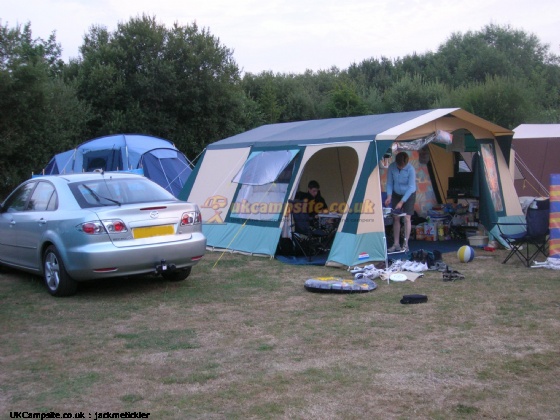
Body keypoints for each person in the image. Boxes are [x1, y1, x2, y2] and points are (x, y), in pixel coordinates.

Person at [384, 152, 417, 252]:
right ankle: (396, 244)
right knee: (396, 217)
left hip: (409, 194)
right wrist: (389, 196)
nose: (400, 167)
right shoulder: (392, 167)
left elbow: (411, 187)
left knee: (407, 218)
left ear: (406, 162)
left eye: (402, 165)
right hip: (396, 193)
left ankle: (405, 244)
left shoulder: (410, 169)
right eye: (399, 165)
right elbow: (389, 183)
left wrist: (402, 202)